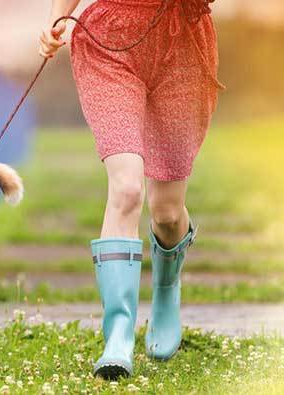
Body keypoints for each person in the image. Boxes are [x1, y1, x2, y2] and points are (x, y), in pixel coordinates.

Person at [39, 0, 223, 380]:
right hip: (109, 38)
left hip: (182, 42)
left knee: (167, 213)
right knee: (126, 189)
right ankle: (118, 335)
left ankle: (166, 288)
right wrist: (57, 17)